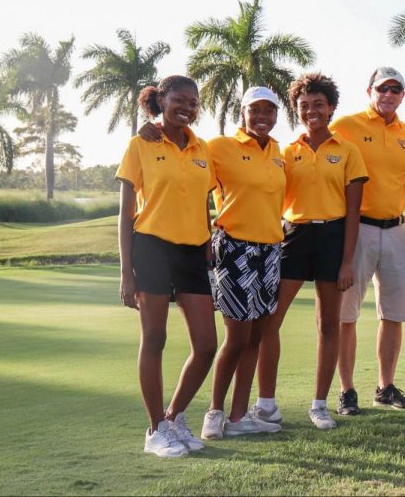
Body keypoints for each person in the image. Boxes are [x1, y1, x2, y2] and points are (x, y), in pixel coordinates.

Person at [244, 72, 368, 430]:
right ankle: (266, 404)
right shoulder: (286, 152)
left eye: (318, 105)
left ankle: (320, 405)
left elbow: (354, 211)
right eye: (304, 106)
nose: (312, 111)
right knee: (269, 322)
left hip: (333, 239)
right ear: (297, 110)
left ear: (330, 108)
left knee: (329, 325)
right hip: (294, 237)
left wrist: (347, 261)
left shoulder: (347, 152)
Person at [116, 75, 217, 458]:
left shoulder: (202, 148)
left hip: (192, 253)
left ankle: (173, 418)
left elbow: (200, 203)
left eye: (193, 102)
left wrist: (207, 241)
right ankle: (156, 429)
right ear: (162, 100)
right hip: (151, 248)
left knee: (207, 345)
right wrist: (127, 272)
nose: (187, 107)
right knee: (154, 340)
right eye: (179, 99)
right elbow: (126, 215)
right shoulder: (139, 144)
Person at [197, 86, 287, 439]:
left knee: (256, 337)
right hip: (234, 248)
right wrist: (203, 234)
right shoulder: (220, 147)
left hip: (271, 251)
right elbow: (194, 186)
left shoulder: (280, 153)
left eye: (269, 110)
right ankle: (213, 414)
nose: (262, 116)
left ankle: (237, 418)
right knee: (236, 337)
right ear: (243, 112)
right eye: (255, 110)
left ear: (277, 115)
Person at [329, 67, 405, 415]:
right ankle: (347, 390)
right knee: (346, 315)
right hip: (357, 229)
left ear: (402, 96)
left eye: (395, 90)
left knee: (393, 313)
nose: (389, 95)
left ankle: (386, 386)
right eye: (383, 89)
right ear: (369, 91)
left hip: (395, 230)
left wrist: (393, 198)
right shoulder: (347, 126)